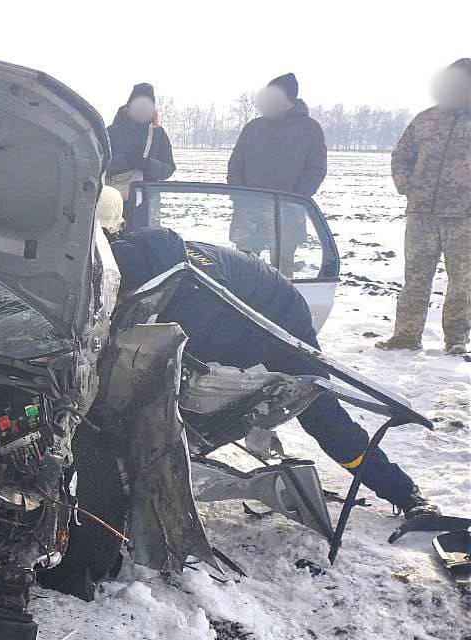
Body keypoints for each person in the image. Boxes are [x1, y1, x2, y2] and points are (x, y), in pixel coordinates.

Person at [98, 193, 438, 521]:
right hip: (245, 301)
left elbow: (191, 360)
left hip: (279, 321)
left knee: (320, 414)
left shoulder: (197, 300)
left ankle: (402, 491)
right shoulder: (139, 251)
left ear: (138, 285)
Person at [377, 58, 471, 355]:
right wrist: (408, 186)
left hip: (464, 218)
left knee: (462, 282)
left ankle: (456, 339)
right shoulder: (426, 119)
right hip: (421, 215)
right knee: (415, 279)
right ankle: (406, 336)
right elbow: (401, 156)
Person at [227, 73, 328, 273]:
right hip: (249, 212)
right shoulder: (254, 127)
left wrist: (295, 199)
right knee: (243, 268)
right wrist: (240, 196)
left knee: (283, 269)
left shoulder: (310, 129)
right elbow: (235, 165)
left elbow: (316, 170)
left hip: (288, 213)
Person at [106, 82, 175, 214]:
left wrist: (148, 164)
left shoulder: (158, 134)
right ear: (130, 104)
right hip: (115, 203)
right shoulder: (112, 132)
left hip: (147, 204)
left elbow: (169, 168)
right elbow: (100, 166)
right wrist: (126, 161)